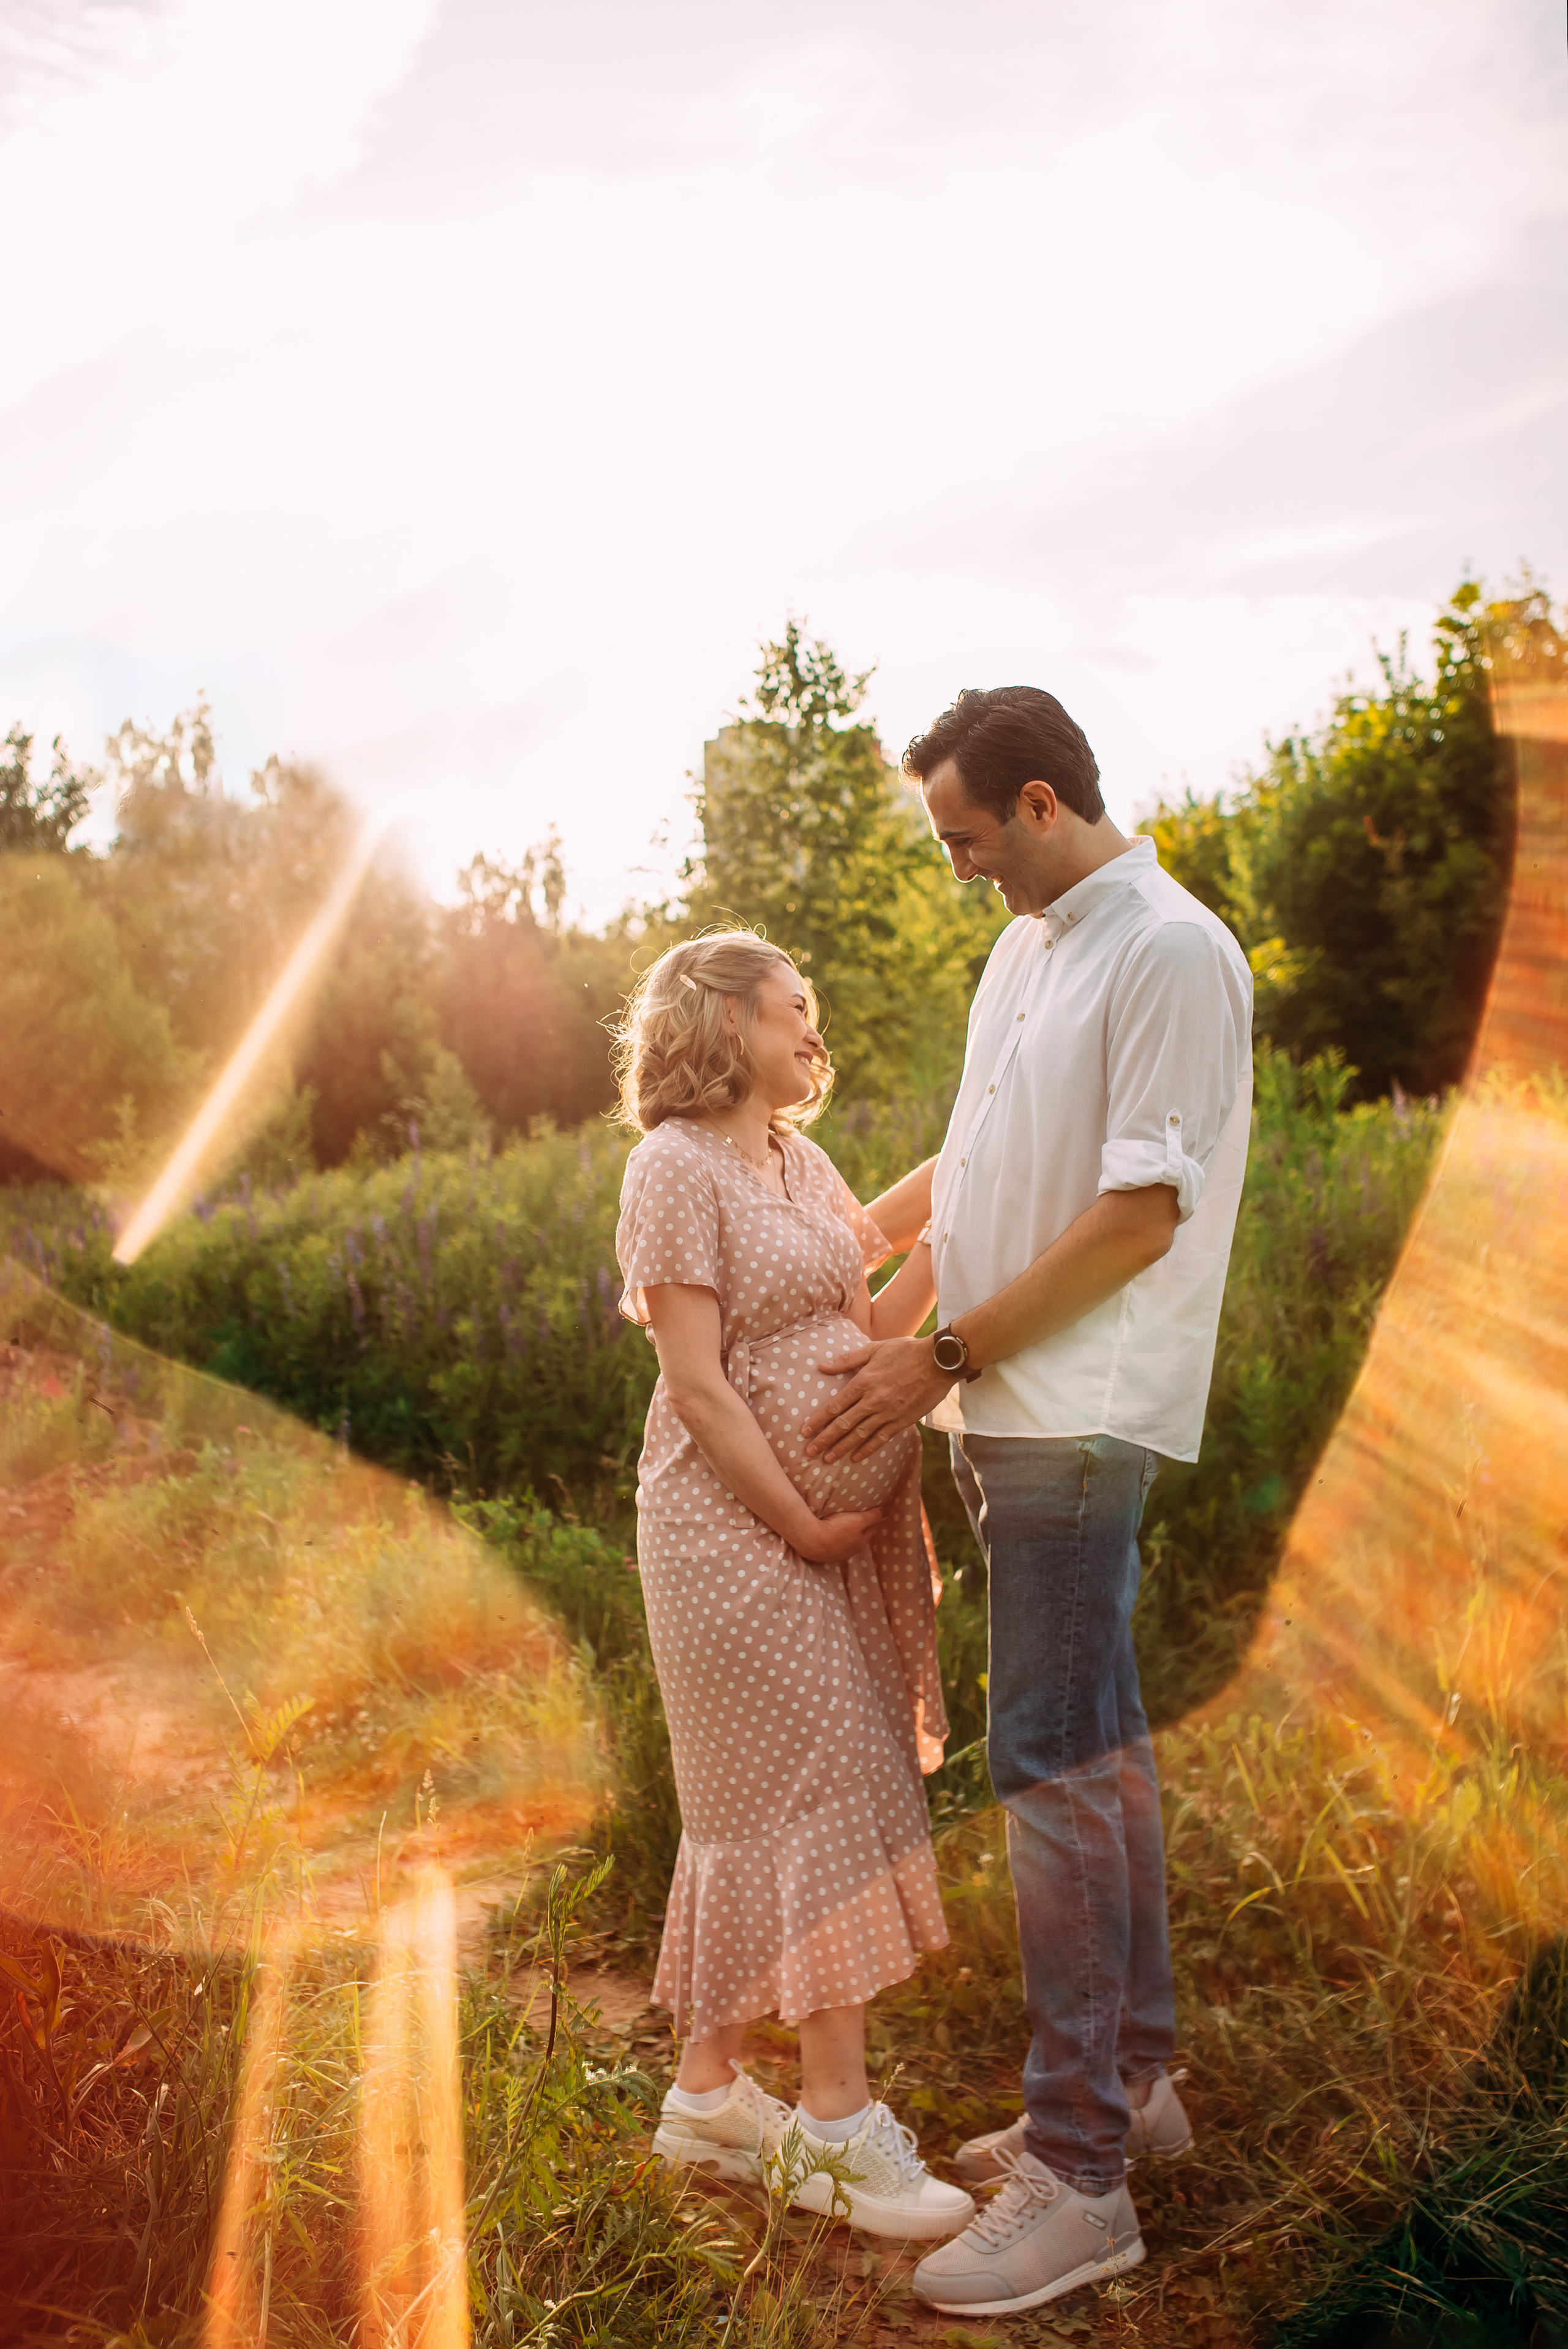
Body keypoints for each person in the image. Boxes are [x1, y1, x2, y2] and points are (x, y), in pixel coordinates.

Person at [800, 686, 1253, 2316]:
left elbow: (1137, 1217)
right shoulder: (1027, 949)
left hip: (1080, 1413)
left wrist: (939, 1351)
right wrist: (821, 1255)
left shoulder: (1171, 954)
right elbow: (975, 1160)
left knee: (1049, 1767)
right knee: (1104, 1756)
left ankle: (1081, 2178)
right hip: (1008, 1404)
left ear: (1043, 801)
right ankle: (1134, 2088)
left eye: (970, 841)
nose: (964, 871)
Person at [610, 928, 974, 2243]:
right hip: (727, 1534)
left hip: (822, 1529)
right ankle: (830, 2126)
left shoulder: (798, 1161)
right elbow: (700, 1389)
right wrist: (803, 1529)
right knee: (821, 1784)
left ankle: (707, 2095)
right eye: (792, 1009)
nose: (810, 1029)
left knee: (774, 1792)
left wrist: (965, 1192)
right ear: (720, 1025)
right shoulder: (670, 1168)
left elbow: (862, 1323)